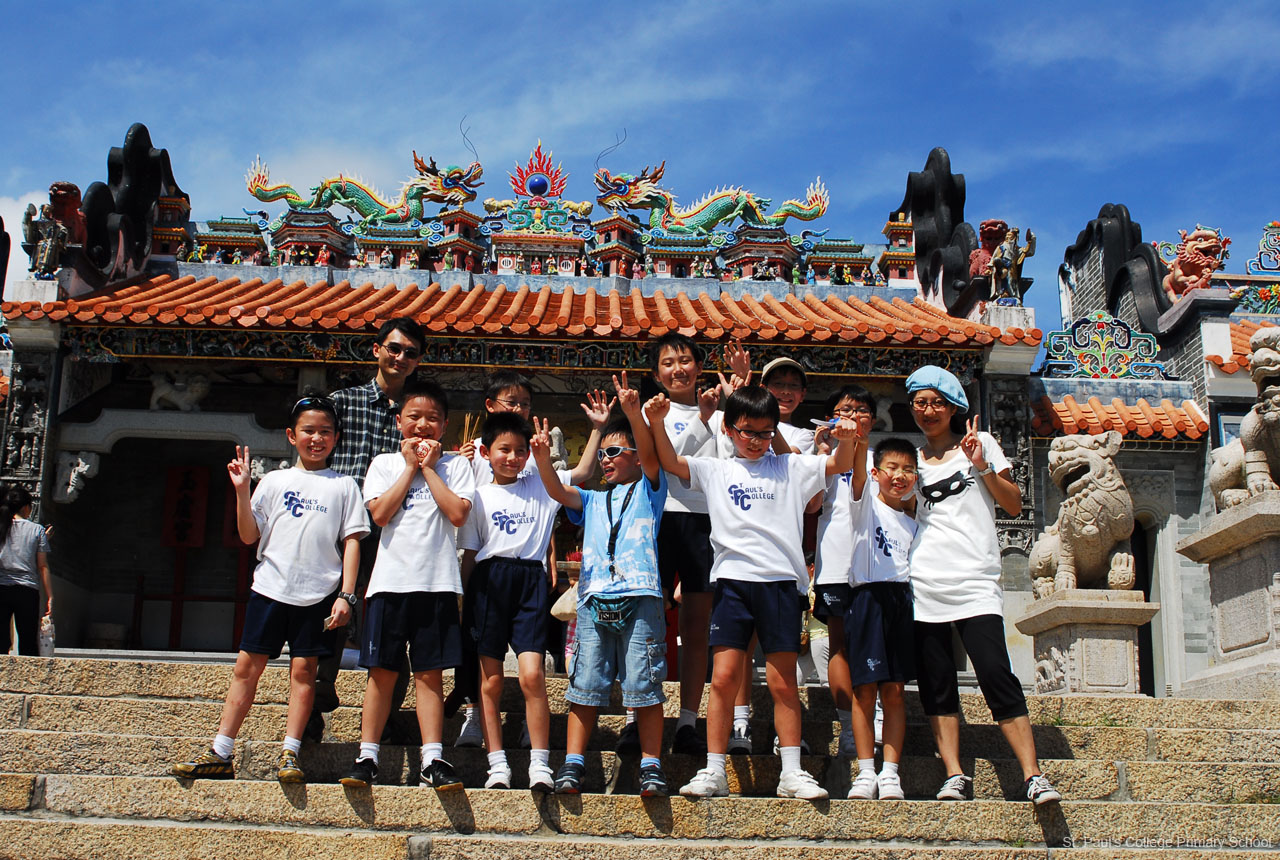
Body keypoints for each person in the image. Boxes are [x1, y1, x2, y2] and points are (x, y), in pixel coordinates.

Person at [648, 386, 861, 800]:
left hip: (781, 586)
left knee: (783, 683)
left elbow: (838, 463)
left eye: (765, 433)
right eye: (747, 431)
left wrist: (849, 439)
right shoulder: (716, 470)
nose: (756, 441)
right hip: (732, 584)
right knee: (724, 677)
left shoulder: (790, 467)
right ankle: (714, 769)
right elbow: (671, 462)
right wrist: (656, 422)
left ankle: (792, 772)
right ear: (729, 429)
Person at [171, 395, 368, 783]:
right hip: (270, 589)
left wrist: (346, 595)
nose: (316, 438)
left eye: (325, 432)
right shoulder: (275, 481)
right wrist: (242, 490)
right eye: (308, 431)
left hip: (319, 595)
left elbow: (352, 542)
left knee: (304, 673)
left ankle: (290, 752)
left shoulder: (344, 485)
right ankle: (221, 751)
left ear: (336, 438)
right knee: (247, 669)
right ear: (291, 436)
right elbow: (249, 535)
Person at [905, 365, 1061, 806]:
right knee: (937, 683)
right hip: (925, 582)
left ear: (954, 406)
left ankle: (1032, 775)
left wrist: (982, 466)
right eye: (920, 403)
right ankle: (954, 774)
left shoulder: (981, 443)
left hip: (976, 580)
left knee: (995, 674)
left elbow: (1012, 504)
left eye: (937, 403)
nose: (928, 411)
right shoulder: (911, 461)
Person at [451, 371, 610, 748]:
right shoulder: (472, 457)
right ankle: (475, 718)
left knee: (531, 667)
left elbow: (577, 477)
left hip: (528, 569)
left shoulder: (536, 466)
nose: (511, 458)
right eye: (512, 402)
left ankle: (530, 729)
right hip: (485, 567)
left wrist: (597, 430)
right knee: (481, 660)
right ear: (490, 406)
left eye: (525, 403)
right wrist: (462, 589)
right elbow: (466, 533)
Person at [535, 372, 671, 796]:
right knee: (584, 686)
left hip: (640, 596)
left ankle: (651, 765)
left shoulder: (651, 490)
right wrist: (542, 457)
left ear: (635, 456)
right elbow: (558, 490)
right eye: (603, 454)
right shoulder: (593, 499)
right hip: (594, 600)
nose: (606, 461)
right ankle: (573, 763)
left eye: (615, 452)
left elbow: (652, 457)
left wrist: (633, 413)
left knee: (644, 685)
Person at [339, 380, 476, 791]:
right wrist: (409, 467)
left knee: (429, 674)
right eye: (414, 417)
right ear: (399, 421)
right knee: (382, 673)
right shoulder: (383, 464)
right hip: (389, 583)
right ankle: (367, 755)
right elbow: (380, 515)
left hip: (437, 584)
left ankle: (432, 758)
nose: (422, 425)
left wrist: (429, 468)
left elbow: (457, 514)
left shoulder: (456, 466)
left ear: (445, 426)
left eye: (432, 418)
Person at [309, 317, 426, 742]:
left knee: (393, 623)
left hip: (395, 531)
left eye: (410, 353)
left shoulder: (417, 414)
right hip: (341, 527)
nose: (400, 358)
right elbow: (316, 453)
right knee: (327, 613)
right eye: (394, 348)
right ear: (377, 349)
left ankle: (384, 717)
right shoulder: (343, 402)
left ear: (418, 361)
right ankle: (313, 704)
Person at [643, 333, 750, 756]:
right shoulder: (653, 412)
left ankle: (688, 719)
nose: (678, 370)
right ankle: (638, 716)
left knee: (695, 626)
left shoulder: (722, 415)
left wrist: (731, 399)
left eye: (685, 360)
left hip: (705, 523)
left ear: (699, 367)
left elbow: (733, 461)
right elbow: (662, 464)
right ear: (657, 374)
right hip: (660, 519)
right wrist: (701, 420)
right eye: (668, 363)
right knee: (648, 624)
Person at [457, 412, 568, 791]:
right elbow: (471, 555)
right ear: (485, 452)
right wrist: (463, 599)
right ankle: (497, 764)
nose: (513, 457)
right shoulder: (477, 496)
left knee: (532, 675)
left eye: (520, 451)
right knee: (490, 682)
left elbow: (584, 471)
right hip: (488, 584)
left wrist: (598, 428)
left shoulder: (540, 485)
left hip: (529, 581)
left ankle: (540, 763)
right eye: (504, 449)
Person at [845, 437, 919, 801]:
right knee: (864, 690)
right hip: (867, 598)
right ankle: (865, 771)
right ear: (876, 473)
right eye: (892, 468)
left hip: (901, 601)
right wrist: (858, 440)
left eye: (908, 469)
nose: (900, 476)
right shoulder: (865, 505)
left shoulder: (914, 521)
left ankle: (890, 772)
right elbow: (857, 474)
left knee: (894, 691)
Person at [807, 385, 876, 758]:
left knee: (874, 642)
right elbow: (812, 504)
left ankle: (875, 718)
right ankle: (849, 725)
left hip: (877, 566)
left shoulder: (887, 459)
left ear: (872, 419)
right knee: (839, 644)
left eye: (860, 410)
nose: (852, 416)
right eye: (843, 410)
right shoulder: (824, 460)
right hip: (835, 561)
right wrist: (822, 451)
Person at [0, 485, 53, 655]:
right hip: (27, 590)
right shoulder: (37, 530)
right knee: (28, 640)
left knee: (1, 640)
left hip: (2, 588)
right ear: (26, 507)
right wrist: (50, 596)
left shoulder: (2, 527)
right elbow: (42, 566)